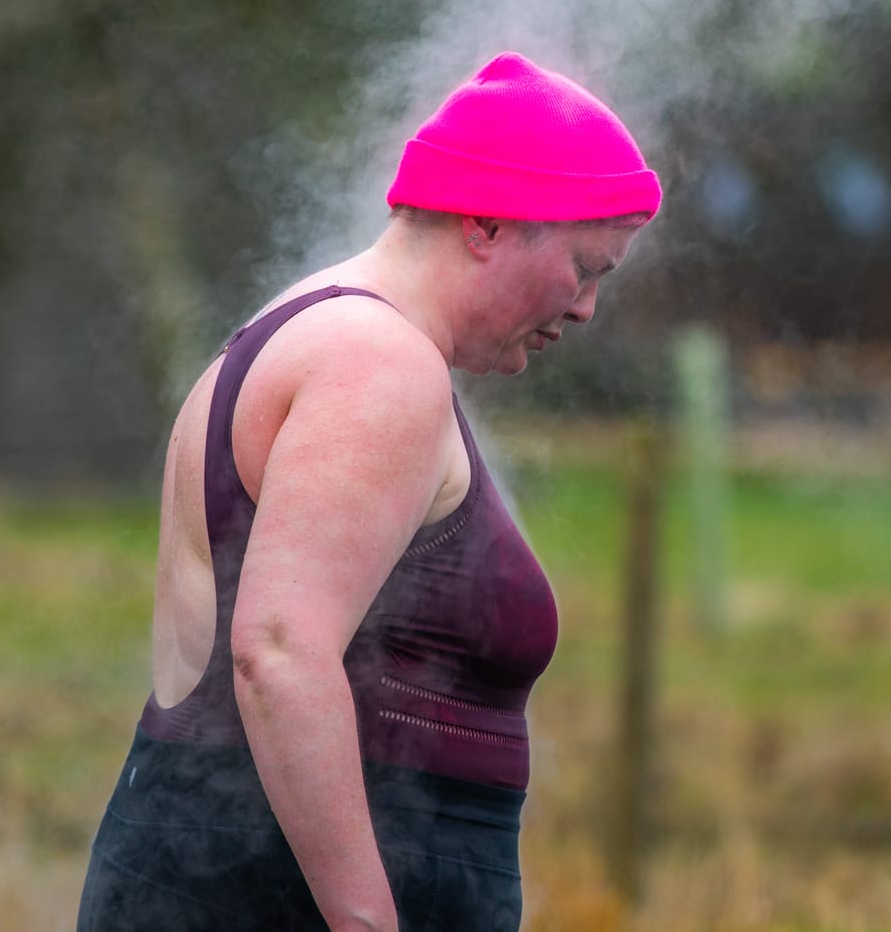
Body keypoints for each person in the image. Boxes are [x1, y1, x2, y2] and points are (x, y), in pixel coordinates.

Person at [75, 51, 661, 931]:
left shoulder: (308, 327)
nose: (584, 308)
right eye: (585, 268)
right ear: (485, 224)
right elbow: (280, 651)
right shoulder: (378, 363)